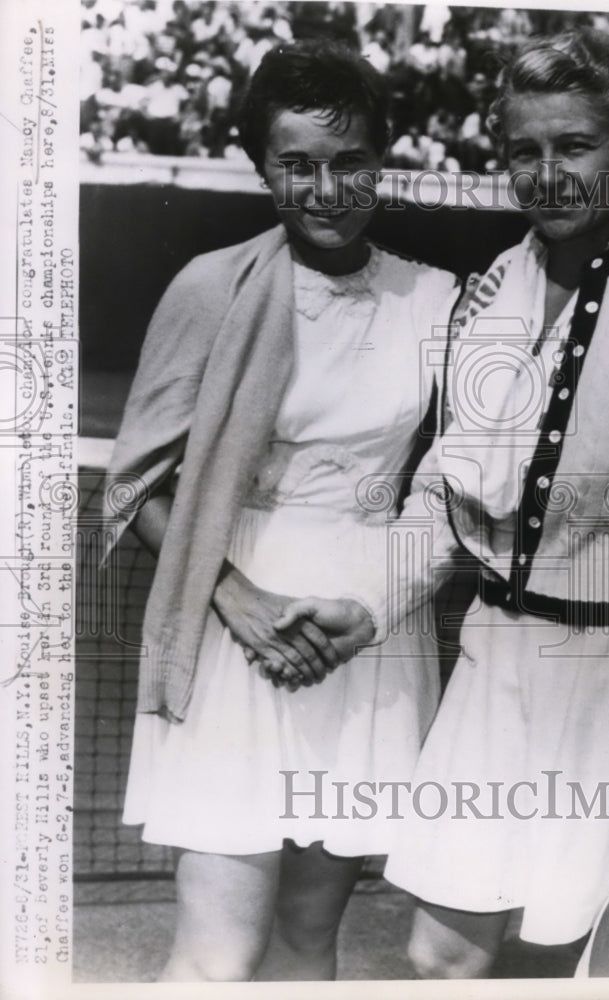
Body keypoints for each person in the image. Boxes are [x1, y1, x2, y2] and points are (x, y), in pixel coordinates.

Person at [278, 28, 609, 978]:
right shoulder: (499, 287)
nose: (549, 173)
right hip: (495, 664)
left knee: (600, 964)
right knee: (441, 955)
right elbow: (447, 494)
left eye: (575, 146)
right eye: (525, 150)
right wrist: (366, 607)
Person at [106, 41, 458, 982]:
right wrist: (236, 596)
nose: (325, 189)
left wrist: (373, 606)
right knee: (218, 957)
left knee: (310, 944)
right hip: (232, 636)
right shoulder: (209, 286)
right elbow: (137, 481)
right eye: (297, 163)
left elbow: (458, 488)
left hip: (370, 639)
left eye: (349, 162)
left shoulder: (439, 298)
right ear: (262, 164)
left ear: (382, 157)